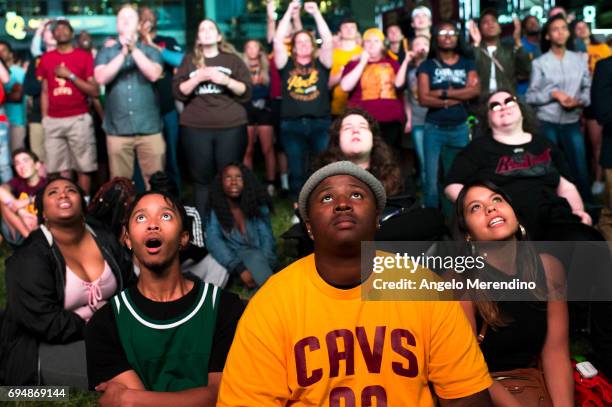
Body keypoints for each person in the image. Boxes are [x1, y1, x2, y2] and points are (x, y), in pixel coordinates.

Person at [217, 161, 493, 406]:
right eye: (326, 198)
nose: (342, 203)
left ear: (377, 219)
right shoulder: (272, 303)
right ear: (309, 227)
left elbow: (466, 394)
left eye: (356, 195)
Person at [85, 191, 244, 406]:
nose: (152, 224)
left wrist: (131, 398)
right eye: (141, 217)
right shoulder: (105, 324)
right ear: (127, 239)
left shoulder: (225, 308)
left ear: (184, 237)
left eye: (166, 216)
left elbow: (223, 396)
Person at [0, 177, 134, 386]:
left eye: (70, 189)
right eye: (52, 192)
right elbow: (43, 321)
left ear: (82, 203)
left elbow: (128, 284)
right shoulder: (28, 257)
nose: (62, 194)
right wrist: (100, 327)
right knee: (124, 371)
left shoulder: (104, 238)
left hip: (109, 331)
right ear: (42, 212)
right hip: (49, 344)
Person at [455, 181, 573, 407]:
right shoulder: (459, 282)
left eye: (497, 199)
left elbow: (555, 354)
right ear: (467, 233)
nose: (490, 208)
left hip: (531, 386)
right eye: (475, 208)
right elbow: (466, 369)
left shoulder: (549, 269)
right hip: (478, 394)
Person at [445, 89, 597, 241]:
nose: (504, 107)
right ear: (488, 119)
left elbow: (566, 186)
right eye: (495, 106)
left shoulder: (543, 143)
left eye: (509, 102)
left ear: (521, 110)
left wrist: (578, 211)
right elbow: (452, 186)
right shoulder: (478, 148)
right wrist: (485, 208)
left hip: (554, 218)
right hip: (511, 223)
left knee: (587, 241)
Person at [173, 19, 251, 219]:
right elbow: (179, 91)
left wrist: (225, 80)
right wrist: (197, 78)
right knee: (201, 180)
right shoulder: (189, 60)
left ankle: (231, 224)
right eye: (202, 29)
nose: (206, 32)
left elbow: (246, 90)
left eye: (211, 28)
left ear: (218, 36)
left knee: (229, 177)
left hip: (230, 126)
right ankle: (203, 228)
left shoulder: (232, 60)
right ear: (198, 38)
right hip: (196, 127)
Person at [94, 4, 165, 190]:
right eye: (121, 18)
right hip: (118, 130)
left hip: (149, 128)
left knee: (157, 183)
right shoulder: (106, 52)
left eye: (130, 18)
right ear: (117, 25)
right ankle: (123, 219)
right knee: (119, 186)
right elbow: (101, 77)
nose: (125, 21)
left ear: (138, 23)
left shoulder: (151, 51)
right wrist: (123, 53)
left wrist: (133, 50)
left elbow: (154, 74)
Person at [273, 0, 333, 208]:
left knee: (323, 168)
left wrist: (316, 13)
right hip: (292, 125)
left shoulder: (322, 63)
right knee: (296, 169)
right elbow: (278, 41)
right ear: (294, 47)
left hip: (320, 124)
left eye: (307, 41)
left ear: (312, 44)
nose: (303, 44)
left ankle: (322, 207)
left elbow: (327, 40)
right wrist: (289, 10)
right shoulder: (286, 64)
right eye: (299, 42)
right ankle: (299, 209)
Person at [526, 14, 592, 202]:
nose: (560, 32)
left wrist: (579, 101)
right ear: (547, 35)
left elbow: (588, 89)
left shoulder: (579, 59)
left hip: (572, 121)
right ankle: (554, 209)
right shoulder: (539, 63)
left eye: (564, 28)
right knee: (550, 167)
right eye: (555, 29)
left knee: (580, 167)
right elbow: (530, 96)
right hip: (548, 122)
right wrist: (553, 95)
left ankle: (588, 211)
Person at [417, 21, 480, 208]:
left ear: (458, 37)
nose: (447, 36)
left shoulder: (467, 63)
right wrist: (456, 97)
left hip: (460, 127)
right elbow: (423, 98)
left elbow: (474, 91)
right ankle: (432, 224)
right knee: (431, 179)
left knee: (461, 176)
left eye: (452, 32)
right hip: (433, 129)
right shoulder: (427, 65)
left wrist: (441, 93)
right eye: (442, 32)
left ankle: (460, 220)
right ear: (435, 37)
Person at [37, 19, 99, 196]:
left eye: (66, 28)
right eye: (57, 29)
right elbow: (44, 91)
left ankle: (84, 206)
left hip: (78, 117)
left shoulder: (84, 56)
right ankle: (66, 204)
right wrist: (45, 118)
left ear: (72, 34)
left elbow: (94, 91)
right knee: (59, 168)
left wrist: (69, 75)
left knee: (84, 166)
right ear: (53, 35)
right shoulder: (47, 58)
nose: (61, 31)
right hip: (53, 120)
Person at [206, 163, 276, 289]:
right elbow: (214, 242)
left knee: (256, 258)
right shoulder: (216, 211)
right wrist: (239, 268)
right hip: (233, 262)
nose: (233, 182)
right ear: (220, 183)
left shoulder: (256, 207)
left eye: (238, 177)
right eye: (228, 177)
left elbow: (267, 238)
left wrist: (266, 263)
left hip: (260, 259)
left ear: (246, 181)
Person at [340, 28, 405, 158]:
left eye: (376, 41)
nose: (372, 44)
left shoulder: (392, 63)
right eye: (368, 41)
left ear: (382, 45)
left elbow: (401, 87)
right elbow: (345, 86)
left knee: (389, 157)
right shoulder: (353, 64)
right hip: (363, 121)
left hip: (390, 120)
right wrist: (362, 62)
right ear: (363, 45)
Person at [139, 6, 184, 192]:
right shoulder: (132, 45)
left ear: (157, 19)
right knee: (144, 159)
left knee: (171, 157)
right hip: (141, 112)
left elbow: (181, 61)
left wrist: (152, 45)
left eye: (151, 16)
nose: (148, 20)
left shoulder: (167, 41)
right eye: (143, 17)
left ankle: (175, 197)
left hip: (167, 108)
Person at [573, 20, 611, 195]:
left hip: (594, 100)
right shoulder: (573, 51)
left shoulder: (602, 48)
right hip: (576, 101)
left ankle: (598, 179)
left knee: (596, 144)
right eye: (577, 27)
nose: (581, 30)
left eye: (584, 27)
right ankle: (590, 182)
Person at [467, 9, 531, 96]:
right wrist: (476, 44)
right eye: (485, 22)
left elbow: (526, 70)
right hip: (481, 101)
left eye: (494, 21)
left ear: (500, 28)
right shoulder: (475, 49)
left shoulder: (510, 50)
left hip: (506, 99)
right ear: (480, 29)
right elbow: (471, 69)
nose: (490, 24)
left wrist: (518, 41)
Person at [241, 39, 276, 193]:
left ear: (260, 50)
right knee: (247, 149)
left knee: (267, 148)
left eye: (255, 46)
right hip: (247, 110)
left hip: (264, 110)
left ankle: (271, 183)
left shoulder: (267, 67)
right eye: (249, 47)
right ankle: (249, 183)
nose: (252, 50)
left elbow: (270, 90)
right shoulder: (240, 68)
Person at [395, 35, 430, 188]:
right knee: (423, 162)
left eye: (424, 43)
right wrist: (406, 60)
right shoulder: (409, 68)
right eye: (417, 44)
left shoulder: (434, 65)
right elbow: (399, 86)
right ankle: (427, 199)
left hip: (435, 121)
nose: (421, 46)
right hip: (417, 120)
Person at [24, 20, 55, 163]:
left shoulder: (73, 57)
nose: (54, 32)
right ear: (43, 36)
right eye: (49, 30)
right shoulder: (37, 60)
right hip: (38, 117)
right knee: (39, 160)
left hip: (65, 116)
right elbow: (29, 88)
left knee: (64, 163)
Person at [0, 149, 46, 245]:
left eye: (25, 161)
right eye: (17, 163)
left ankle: (35, 241)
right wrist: (21, 212)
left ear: (37, 165)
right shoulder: (16, 182)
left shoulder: (46, 183)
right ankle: (31, 239)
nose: (21, 166)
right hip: (20, 231)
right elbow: (1, 190)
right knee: (4, 203)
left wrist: (28, 200)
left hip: (42, 226)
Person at [329, 17, 362, 117]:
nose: (349, 30)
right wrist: (346, 68)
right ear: (340, 32)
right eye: (345, 27)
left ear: (357, 32)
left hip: (360, 108)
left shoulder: (364, 53)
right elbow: (328, 84)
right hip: (337, 108)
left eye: (352, 27)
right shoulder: (332, 54)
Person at [0, 40, 26, 151]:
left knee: (17, 155)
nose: (0, 53)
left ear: (11, 54)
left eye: (3, 50)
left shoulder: (18, 71)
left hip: (16, 121)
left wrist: (4, 95)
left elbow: (18, 96)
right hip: (2, 120)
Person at [517, 15, 542, 98]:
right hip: (523, 93)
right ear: (524, 29)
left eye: (535, 22)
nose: (533, 24)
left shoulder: (545, 45)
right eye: (530, 23)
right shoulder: (519, 45)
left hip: (542, 93)